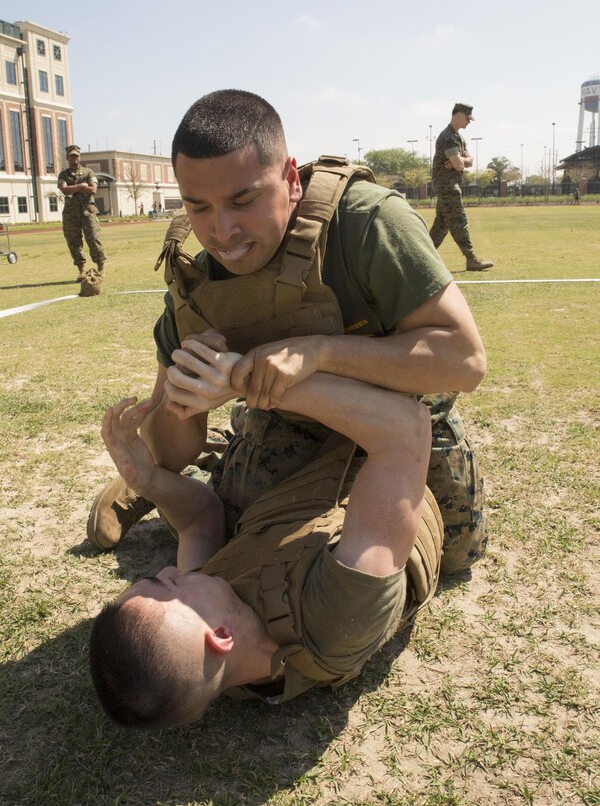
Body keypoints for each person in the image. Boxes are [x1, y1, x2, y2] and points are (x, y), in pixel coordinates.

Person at [86, 89, 488, 575]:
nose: (222, 232)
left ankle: (222, 457)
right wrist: (181, 399)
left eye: (243, 200)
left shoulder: (364, 222)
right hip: (289, 421)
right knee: (240, 540)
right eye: (199, 207)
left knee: (454, 553)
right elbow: (170, 448)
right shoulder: (197, 279)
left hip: (405, 418)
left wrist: (318, 352)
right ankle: (164, 484)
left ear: (291, 180)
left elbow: (464, 360)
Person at [90, 335, 440, 726]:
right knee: (433, 380)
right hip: (395, 455)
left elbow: (199, 521)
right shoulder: (337, 617)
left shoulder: (213, 622)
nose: (171, 571)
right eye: (167, 585)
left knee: (252, 463)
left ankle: (229, 444)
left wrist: (149, 480)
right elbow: (406, 428)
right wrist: (247, 379)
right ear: (220, 636)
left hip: (311, 483)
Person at [429, 104, 494, 271]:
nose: (469, 122)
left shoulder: (458, 137)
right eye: (467, 118)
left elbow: (468, 161)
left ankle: (421, 257)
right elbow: (459, 165)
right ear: (457, 115)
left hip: (450, 184)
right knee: (459, 220)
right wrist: (461, 161)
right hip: (447, 186)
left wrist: (461, 160)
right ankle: (471, 258)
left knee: (441, 225)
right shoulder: (448, 137)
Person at [57, 144, 107, 281]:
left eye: (76, 156)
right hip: (71, 214)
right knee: (74, 242)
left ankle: (101, 268)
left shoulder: (88, 172)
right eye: (71, 156)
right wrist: (82, 186)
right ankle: (82, 270)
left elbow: (93, 190)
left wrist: (75, 188)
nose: (74, 159)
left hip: (88, 212)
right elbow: (64, 190)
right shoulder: (63, 174)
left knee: (93, 239)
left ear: (79, 157)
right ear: (67, 157)